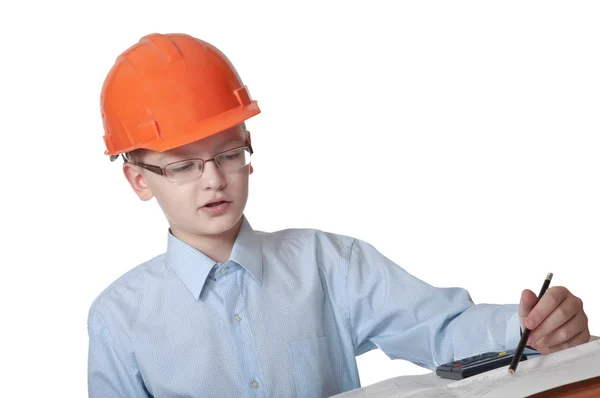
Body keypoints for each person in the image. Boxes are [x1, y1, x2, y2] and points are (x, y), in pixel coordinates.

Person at [88, 33, 590, 398]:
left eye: (228, 153)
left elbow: (441, 329)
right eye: (182, 164)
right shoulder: (121, 318)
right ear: (138, 180)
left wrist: (528, 329)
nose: (214, 178)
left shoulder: (329, 264)